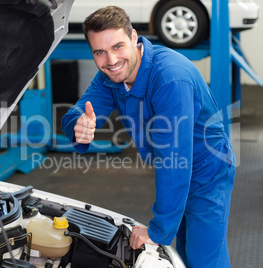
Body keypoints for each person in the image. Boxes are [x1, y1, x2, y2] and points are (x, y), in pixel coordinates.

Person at [61, 6, 235, 268]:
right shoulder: (111, 76)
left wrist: (159, 231)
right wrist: (77, 124)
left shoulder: (169, 79)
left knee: (203, 259)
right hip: (178, 164)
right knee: (185, 252)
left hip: (207, 170)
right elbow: (81, 108)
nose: (110, 60)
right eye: (100, 52)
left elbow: (174, 159)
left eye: (118, 46)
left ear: (134, 37)